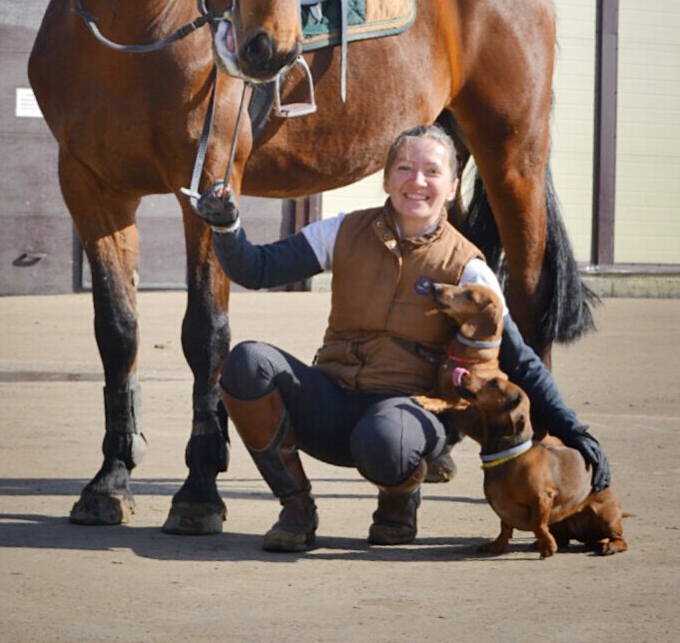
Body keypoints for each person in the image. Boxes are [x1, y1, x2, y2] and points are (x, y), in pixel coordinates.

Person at [196, 124, 610, 552]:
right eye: (405, 168)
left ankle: (399, 501)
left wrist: (576, 432)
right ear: (386, 178)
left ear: (451, 188)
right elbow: (257, 269)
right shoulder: (340, 231)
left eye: (432, 172)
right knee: (246, 363)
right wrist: (227, 228)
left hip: (407, 419)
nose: (417, 181)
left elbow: (520, 360)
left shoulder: (469, 268)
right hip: (333, 401)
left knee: (384, 437)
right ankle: (296, 507)